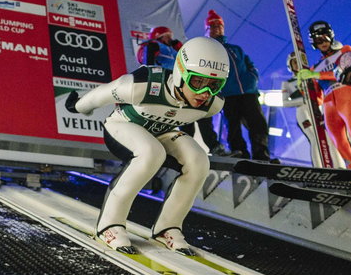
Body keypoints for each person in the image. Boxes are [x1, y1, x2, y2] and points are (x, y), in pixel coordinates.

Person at [66, 36, 229, 255]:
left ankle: (167, 227)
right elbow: (104, 93)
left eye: (214, 85)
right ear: (180, 73)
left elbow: (189, 119)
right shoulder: (143, 84)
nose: (204, 94)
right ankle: (109, 225)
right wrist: (78, 105)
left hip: (163, 132)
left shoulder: (213, 104)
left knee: (199, 161)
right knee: (151, 153)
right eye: (197, 82)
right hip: (123, 125)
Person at [297, 21, 351, 170]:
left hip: (346, 93)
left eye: (325, 38)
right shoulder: (315, 67)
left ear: (331, 37)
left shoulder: (344, 51)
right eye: (319, 41)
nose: (323, 43)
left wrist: (315, 74)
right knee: (339, 143)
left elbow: (343, 72)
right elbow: (317, 98)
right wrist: (305, 86)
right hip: (328, 102)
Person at [137, 26, 228, 156]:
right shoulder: (153, 45)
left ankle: (208, 146)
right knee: (180, 118)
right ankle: (176, 148)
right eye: (166, 35)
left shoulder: (174, 49)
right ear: (158, 36)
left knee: (200, 113)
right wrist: (149, 78)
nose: (169, 38)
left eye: (170, 35)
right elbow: (147, 63)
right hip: (167, 85)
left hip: (184, 83)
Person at [205, 9, 272, 160]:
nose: (217, 28)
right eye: (213, 26)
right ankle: (240, 155)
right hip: (228, 95)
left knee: (258, 124)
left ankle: (262, 155)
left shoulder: (236, 49)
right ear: (207, 30)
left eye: (220, 25)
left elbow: (251, 65)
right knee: (233, 128)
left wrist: (252, 77)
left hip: (248, 93)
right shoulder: (207, 49)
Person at [280, 51, 342, 167]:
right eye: (294, 62)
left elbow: (320, 94)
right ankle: (319, 167)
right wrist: (304, 100)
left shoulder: (311, 77)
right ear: (290, 65)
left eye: (299, 61)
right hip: (302, 111)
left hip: (317, 109)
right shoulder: (287, 83)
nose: (297, 64)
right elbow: (284, 103)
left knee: (329, 137)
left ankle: (339, 166)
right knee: (314, 138)